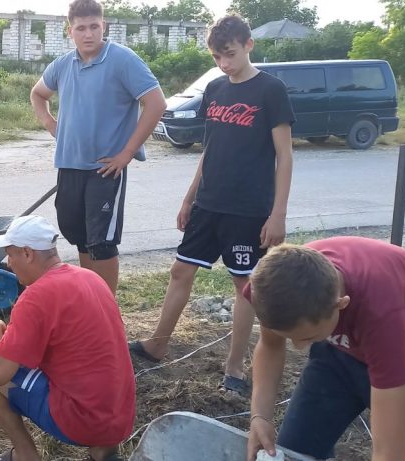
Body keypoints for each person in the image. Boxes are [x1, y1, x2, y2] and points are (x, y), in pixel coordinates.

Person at [128, 14, 294, 396]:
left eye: (231, 54)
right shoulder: (216, 89)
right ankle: (157, 344)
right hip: (208, 203)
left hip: (249, 209)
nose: (225, 63)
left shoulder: (271, 90)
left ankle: (234, 366)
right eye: (218, 57)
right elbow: (209, 149)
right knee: (179, 272)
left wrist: (278, 214)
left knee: (245, 286)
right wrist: (189, 197)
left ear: (248, 44)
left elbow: (284, 156)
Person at [244, 237, 405, 461]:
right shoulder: (273, 289)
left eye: (308, 337)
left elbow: (391, 453)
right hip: (339, 349)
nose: (299, 347)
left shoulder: (385, 315)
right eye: (291, 337)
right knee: (295, 448)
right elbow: (270, 345)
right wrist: (260, 416)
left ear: (341, 304)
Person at [29, 0, 167, 295]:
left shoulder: (122, 59)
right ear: (71, 31)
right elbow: (38, 94)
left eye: (94, 26)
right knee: (80, 236)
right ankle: (90, 303)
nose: (88, 33)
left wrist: (127, 152)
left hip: (106, 168)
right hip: (69, 165)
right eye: (81, 28)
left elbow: (156, 104)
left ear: (104, 26)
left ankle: (106, 313)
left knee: (102, 243)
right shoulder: (63, 65)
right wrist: (51, 124)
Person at [0, 216, 134, 461]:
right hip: (120, 416)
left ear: (28, 253)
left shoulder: (35, 296)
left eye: (10, 255)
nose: (9, 264)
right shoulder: (90, 278)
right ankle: (103, 452)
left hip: (81, 421)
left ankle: (24, 455)